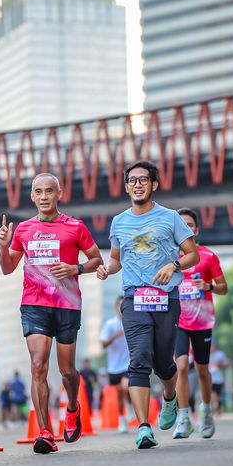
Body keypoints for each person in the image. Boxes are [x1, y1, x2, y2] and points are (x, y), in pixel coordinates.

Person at [0, 173, 103, 454]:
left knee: (67, 371)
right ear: (32, 196)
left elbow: (97, 259)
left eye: (49, 191)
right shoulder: (24, 229)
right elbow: (7, 268)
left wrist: (75, 268)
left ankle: (72, 407)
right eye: (38, 192)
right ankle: (45, 431)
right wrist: (3, 246)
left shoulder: (75, 227)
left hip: (67, 305)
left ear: (59, 193)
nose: (44, 196)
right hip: (34, 304)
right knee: (38, 364)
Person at [96, 160, 199, 450]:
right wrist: (106, 269)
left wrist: (173, 264)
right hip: (133, 299)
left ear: (154, 184)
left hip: (166, 298)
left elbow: (193, 255)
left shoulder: (170, 218)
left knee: (164, 363)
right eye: (132, 180)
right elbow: (116, 259)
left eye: (143, 179)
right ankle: (143, 427)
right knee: (139, 359)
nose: (137, 184)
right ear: (126, 187)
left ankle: (169, 397)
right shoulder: (119, 222)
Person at [172, 208, 228, 440]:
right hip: (178, 321)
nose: (185, 229)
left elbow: (223, 288)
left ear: (196, 230)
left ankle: (206, 412)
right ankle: (184, 418)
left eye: (189, 225)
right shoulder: (169, 257)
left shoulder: (208, 256)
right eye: (181, 225)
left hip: (202, 321)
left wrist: (208, 287)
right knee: (181, 366)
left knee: (202, 370)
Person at [100, 295, 131, 433]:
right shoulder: (110, 324)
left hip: (128, 363)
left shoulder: (132, 322)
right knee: (119, 394)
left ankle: (130, 405)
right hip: (114, 366)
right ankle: (122, 419)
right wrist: (115, 336)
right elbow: (103, 344)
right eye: (119, 305)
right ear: (116, 307)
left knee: (126, 386)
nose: (121, 308)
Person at [209, 342, 230, 417]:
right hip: (209, 379)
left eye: (212, 346)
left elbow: (227, 364)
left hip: (219, 379)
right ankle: (212, 408)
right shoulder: (205, 354)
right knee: (211, 394)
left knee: (218, 396)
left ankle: (217, 409)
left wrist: (220, 364)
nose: (211, 348)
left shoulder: (220, 354)